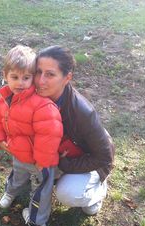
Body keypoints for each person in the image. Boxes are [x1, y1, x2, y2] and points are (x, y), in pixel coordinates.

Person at [0, 45, 63, 226]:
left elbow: (49, 135)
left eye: (26, 78)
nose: (20, 83)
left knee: (40, 189)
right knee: (17, 175)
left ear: (33, 78)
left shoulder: (42, 105)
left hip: (40, 162)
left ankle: (37, 220)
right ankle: (10, 192)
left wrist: (42, 161)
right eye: (15, 77)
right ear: (5, 75)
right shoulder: (4, 99)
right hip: (18, 154)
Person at [34, 46, 115, 215]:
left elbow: (104, 157)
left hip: (90, 156)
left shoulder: (83, 112)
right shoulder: (33, 96)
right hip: (63, 152)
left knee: (68, 193)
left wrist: (64, 164)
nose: (40, 81)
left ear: (67, 78)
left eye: (50, 74)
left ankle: (97, 190)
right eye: (38, 72)